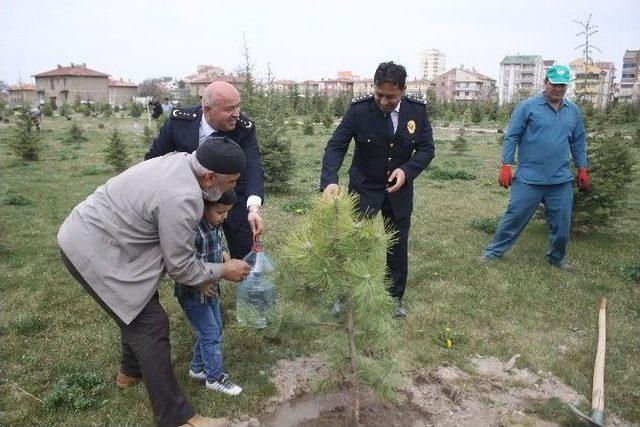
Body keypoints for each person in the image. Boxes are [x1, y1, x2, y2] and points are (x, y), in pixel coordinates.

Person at [58, 136, 251, 427]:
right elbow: (181, 268)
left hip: (98, 235)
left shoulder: (182, 162)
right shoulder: (183, 197)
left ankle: (130, 372)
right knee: (150, 324)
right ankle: (176, 419)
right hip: (93, 248)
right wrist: (224, 271)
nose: (232, 189)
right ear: (210, 176)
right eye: (230, 182)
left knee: (138, 303)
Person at [320, 61, 435, 317]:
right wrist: (330, 180)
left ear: (403, 90)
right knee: (354, 243)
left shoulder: (416, 112)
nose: (383, 101)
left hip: (398, 192)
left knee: (397, 245)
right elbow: (336, 146)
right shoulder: (359, 111)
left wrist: (406, 170)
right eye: (379, 94)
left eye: (390, 96)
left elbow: (427, 149)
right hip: (364, 189)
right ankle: (345, 294)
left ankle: (394, 298)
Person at [481, 65, 590, 270]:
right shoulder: (527, 107)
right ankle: (493, 252)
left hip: (560, 181)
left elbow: (578, 141)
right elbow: (512, 136)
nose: (558, 89)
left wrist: (582, 168)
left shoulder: (573, 111)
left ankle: (556, 258)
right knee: (514, 218)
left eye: (562, 85)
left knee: (562, 224)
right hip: (529, 179)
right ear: (545, 83)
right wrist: (506, 165)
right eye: (554, 84)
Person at [145, 81, 264, 260]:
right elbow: (154, 160)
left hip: (230, 197)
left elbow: (253, 167)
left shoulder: (243, 129)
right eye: (230, 108)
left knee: (245, 249)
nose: (236, 114)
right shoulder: (180, 122)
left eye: (238, 107)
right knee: (189, 251)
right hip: (187, 196)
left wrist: (253, 208)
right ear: (208, 110)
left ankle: (249, 283)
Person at [175, 189, 242, 396]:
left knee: (214, 328)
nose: (225, 216)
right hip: (193, 293)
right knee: (210, 333)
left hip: (210, 289)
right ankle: (214, 377)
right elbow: (184, 264)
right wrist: (200, 283)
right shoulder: (192, 231)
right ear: (204, 208)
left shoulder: (215, 224)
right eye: (221, 212)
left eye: (227, 212)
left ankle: (197, 368)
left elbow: (215, 241)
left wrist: (222, 253)